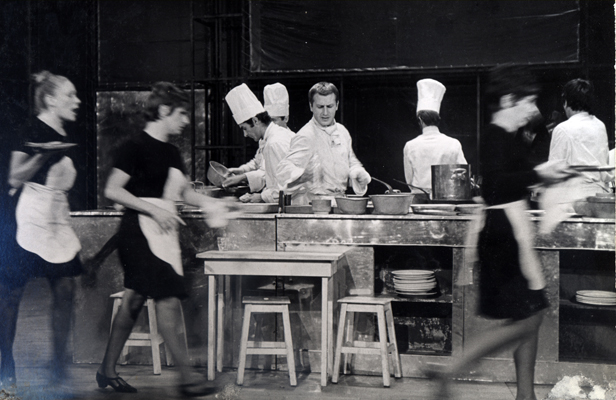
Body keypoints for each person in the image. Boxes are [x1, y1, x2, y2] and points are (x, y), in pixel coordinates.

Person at [426, 65, 576, 400]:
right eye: (529, 102)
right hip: (503, 236)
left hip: (509, 231)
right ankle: (452, 371)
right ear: (509, 100)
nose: (534, 109)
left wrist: (544, 170)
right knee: (529, 318)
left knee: (530, 313)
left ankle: (525, 395)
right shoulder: (495, 135)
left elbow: (517, 172)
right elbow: (495, 187)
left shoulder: (510, 136)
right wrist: (541, 174)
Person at [96, 82, 232, 396]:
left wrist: (216, 203)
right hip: (138, 232)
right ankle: (187, 378)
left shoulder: (172, 151)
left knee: (133, 300)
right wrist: (154, 211)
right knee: (168, 297)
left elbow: (183, 192)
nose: (186, 120)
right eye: (182, 113)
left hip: (164, 233)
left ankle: (106, 370)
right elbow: (114, 190)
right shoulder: (134, 146)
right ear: (163, 110)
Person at [0, 70, 83, 393]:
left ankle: (58, 367)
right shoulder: (30, 130)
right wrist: (42, 154)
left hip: (56, 222)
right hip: (27, 219)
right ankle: (6, 371)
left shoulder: (66, 134)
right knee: (10, 298)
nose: (76, 102)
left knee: (65, 291)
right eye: (70, 96)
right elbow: (14, 177)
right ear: (50, 99)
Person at [277, 82, 371, 205]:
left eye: (330, 106)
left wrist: (358, 173)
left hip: (339, 201)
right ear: (311, 106)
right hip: (314, 205)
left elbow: (351, 161)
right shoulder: (306, 135)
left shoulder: (342, 131)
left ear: (337, 105)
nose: (325, 113)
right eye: (320, 107)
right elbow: (282, 171)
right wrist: (304, 175)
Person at [222, 83, 294, 204]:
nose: (245, 135)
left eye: (244, 128)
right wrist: (242, 171)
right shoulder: (270, 139)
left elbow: (286, 185)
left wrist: (261, 197)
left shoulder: (275, 142)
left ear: (255, 121)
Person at [546, 78, 611, 201]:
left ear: (565, 102)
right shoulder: (600, 125)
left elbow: (554, 169)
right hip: (599, 194)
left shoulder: (563, 128)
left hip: (573, 197)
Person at [403, 79, 467, 199]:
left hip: (419, 200)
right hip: (447, 198)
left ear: (420, 120)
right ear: (438, 118)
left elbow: (409, 180)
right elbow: (462, 174)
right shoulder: (453, 143)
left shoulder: (410, 145)